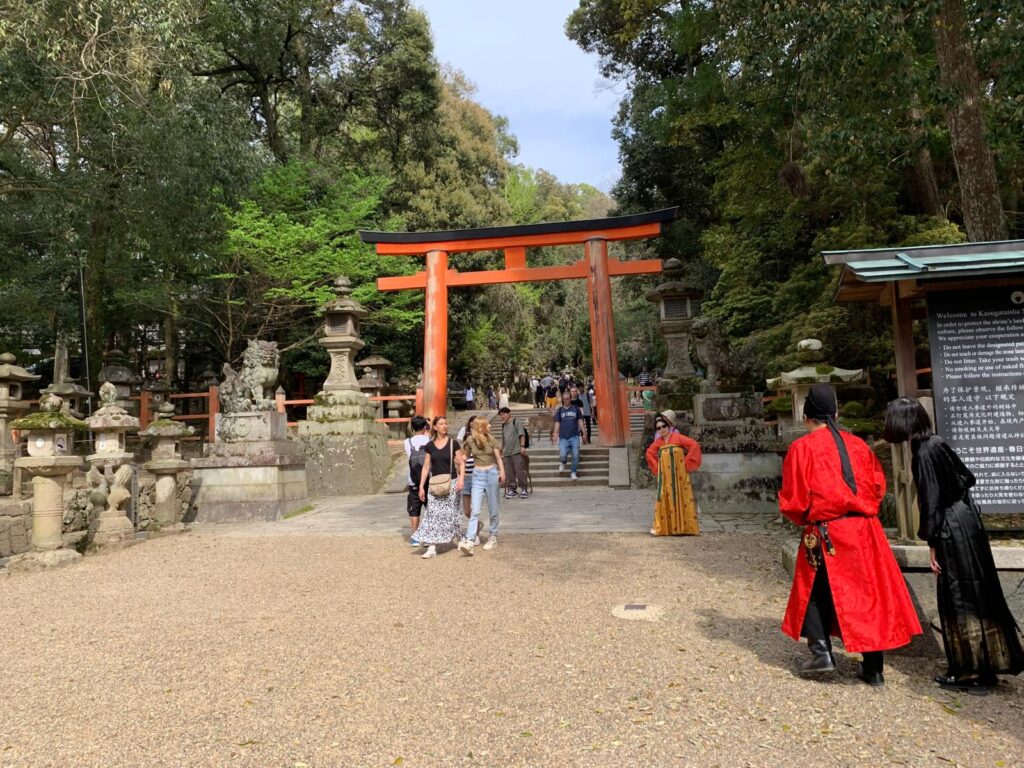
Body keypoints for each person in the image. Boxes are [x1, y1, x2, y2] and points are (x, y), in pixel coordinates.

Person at [779, 384, 921, 686]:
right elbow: (878, 487)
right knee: (867, 594)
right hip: (866, 530)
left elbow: (794, 501)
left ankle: (822, 655)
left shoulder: (802, 448)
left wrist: (809, 517)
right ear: (836, 412)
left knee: (814, 590)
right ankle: (874, 667)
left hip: (828, 530)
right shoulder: (858, 445)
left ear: (806, 416)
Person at [884, 398, 1024, 694]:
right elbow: (966, 478)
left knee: (958, 596)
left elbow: (930, 503)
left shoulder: (922, 452)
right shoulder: (936, 442)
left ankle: (967, 671)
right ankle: (985, 667)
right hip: (968, 523)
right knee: (979, 593)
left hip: (950, 527)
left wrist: (932, 542)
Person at [416, 416, 465, 559]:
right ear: (435, 427)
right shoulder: (430, 446)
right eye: (441, 424)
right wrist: (421, 486)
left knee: (453, 513)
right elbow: (426, 467)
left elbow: (461, 462)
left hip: (452, 481)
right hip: (435, 483)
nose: (444, 426)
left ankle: (460, 537)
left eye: (446, 423)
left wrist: (462, 479)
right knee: (432, 514)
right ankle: (432, 546)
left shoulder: (453, 443)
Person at [645, 413, 702, 535]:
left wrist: (686, 462)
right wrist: (657, 467)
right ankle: (667, 527)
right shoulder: (659, 442)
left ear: (669, 425)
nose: (662, 429)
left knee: (682, 496)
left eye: (663, 426)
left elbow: (694, 445)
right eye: (658, 428)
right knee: (664, 497)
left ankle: (685, 527)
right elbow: (649, 453)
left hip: (679, 474)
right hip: (665, 476)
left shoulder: (678, 437)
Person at [458, 418, 506, 555]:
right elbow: (466, 456)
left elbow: (498, 458)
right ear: (481, 427)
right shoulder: (470, 440)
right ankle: (470, 540)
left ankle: (493, 536)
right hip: (477, 474)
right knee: (475, 509)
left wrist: (502, 472)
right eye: (487, 424)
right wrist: (460, 459)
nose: (490, 425)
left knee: (493, 507)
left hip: (491, 473)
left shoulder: (491, 439)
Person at [403, 415, 432, 545]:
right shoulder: (430, 441)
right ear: (425, 427)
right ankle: (428, 535)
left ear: (413, 427)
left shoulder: (407, 442)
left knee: (414, 510)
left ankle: (415, 537)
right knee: (429, 508)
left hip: (413, 480)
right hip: (429, 479)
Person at [551, 390, 585, 481]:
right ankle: (563, 462)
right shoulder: (560, 410)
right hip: (563, 437)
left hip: (575, 436)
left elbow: (580, 421)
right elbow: (557, 423)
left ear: (570, 399)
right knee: (562, 455)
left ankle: (573, 472)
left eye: (567, 399)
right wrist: (555, 434)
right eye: (564, 399)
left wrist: (584, 433)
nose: (566, 400)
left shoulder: (576, 408)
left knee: (575, 454)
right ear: (562, 399)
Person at [499, 406, 529, 498]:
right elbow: (504, 439)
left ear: (509, 414)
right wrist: (501, 450)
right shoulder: (503, 425)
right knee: (509, 472)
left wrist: (522, 446)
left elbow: (522, 434)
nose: (502, 416)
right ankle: (512, 489)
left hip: (516, 451)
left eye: (503, 414)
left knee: (519, 470)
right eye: (500, 415)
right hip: (507, 452)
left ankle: (524, 488)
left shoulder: (516, 422)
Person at [457, 416, 477, 534]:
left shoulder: (476, 452)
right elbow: (459, 468)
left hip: (475, 479)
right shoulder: (462, 455)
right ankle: (477, 524)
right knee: (466, 510)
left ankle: (474, 533)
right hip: (465, 480)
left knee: (475, 508)